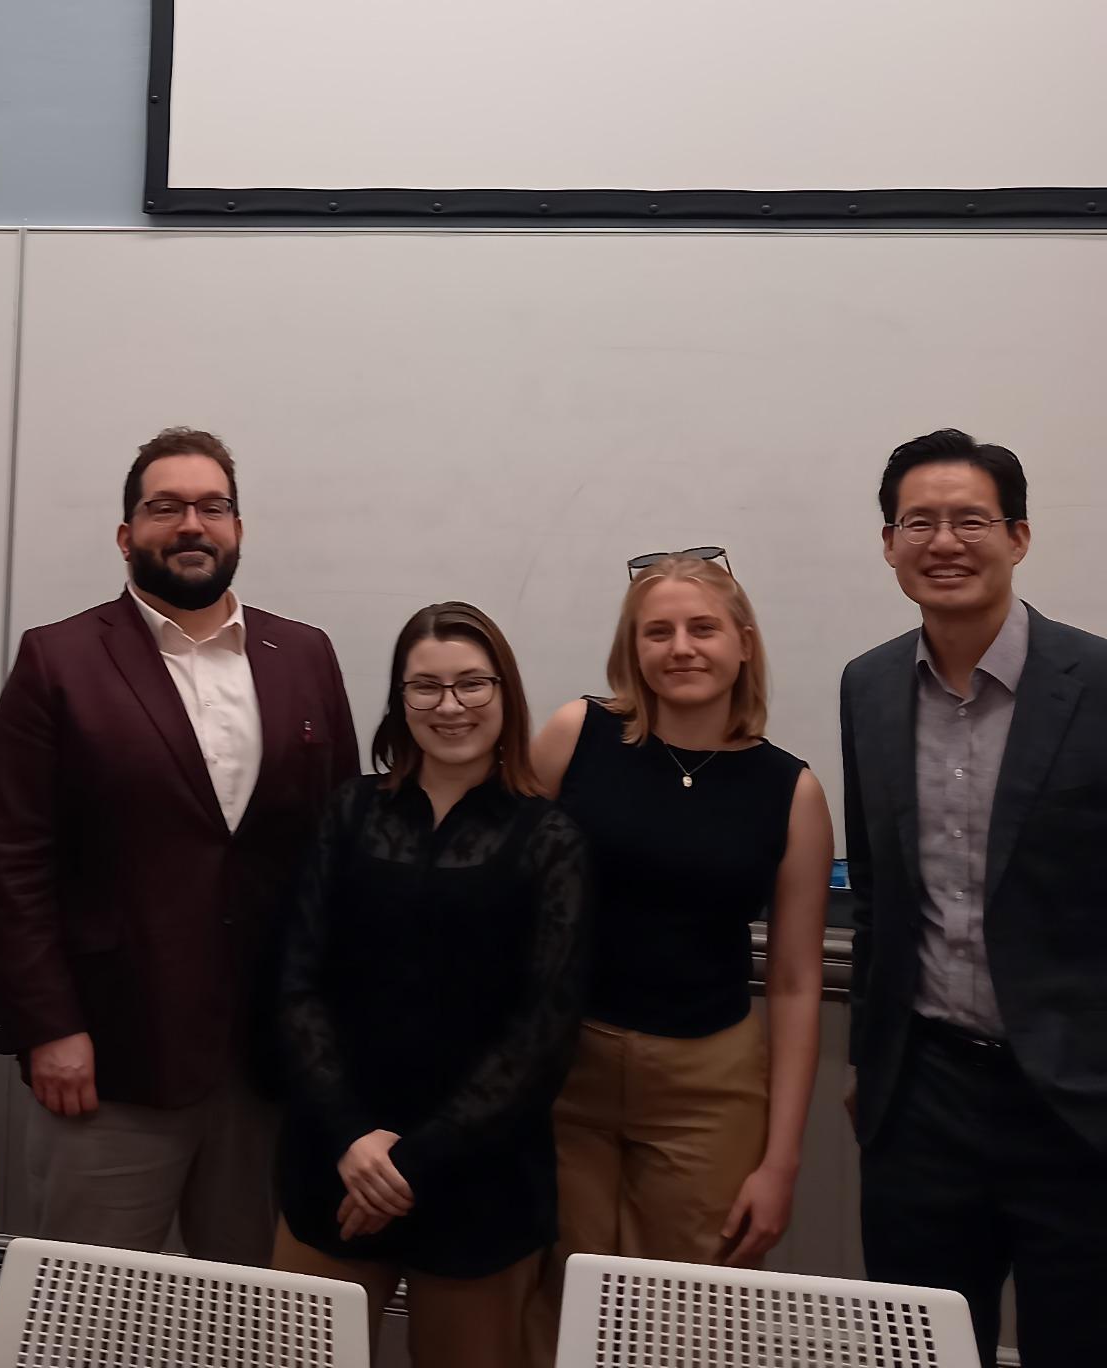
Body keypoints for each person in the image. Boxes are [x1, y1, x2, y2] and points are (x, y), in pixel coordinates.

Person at [0, 427, 358, 1266]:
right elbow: (12, 862)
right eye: (166, 507)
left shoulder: (305, 656)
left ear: (238, 528)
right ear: (126, 535)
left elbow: (339, 856)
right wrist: (49, 1026)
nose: (192, 524)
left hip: (265, 1062)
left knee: (250, 1315)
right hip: (110, 1060)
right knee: (89, 1315)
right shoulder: (60, 659)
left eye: (212, 507)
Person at [843, 429, 1107, 1368]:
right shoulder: (868, 687)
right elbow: (875, 892)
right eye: (918, 521)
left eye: (970, 520)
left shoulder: (1097, 682)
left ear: (1020, 536)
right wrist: (870, 1070)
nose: (943, 541)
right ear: (888, 543)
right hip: (923, 1096)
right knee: (916, 1346)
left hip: (1075, 1106)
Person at [528, 551, 830, 1357]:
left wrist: (781, 1163)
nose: (681, 647)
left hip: (708, 1089)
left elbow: (799, 983)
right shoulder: (573, 737)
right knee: (554, 1310)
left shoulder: (789, 790)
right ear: (633, 651)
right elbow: (498, 897)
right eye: (656, 632)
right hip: (566, 1076)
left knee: (687, 1324)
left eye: (703, 628)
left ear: (743, 643)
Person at [274, 602, 589, 1367]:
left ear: (505, 694)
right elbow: (296, 983)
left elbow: (542, 1033)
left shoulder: (550, 838)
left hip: (480, 1180)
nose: (449, 706)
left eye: (471, 684)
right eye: (425, 687)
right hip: (335, 1161)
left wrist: (411, 1163)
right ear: (399, 700)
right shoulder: (349, 811)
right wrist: (353, 1137)